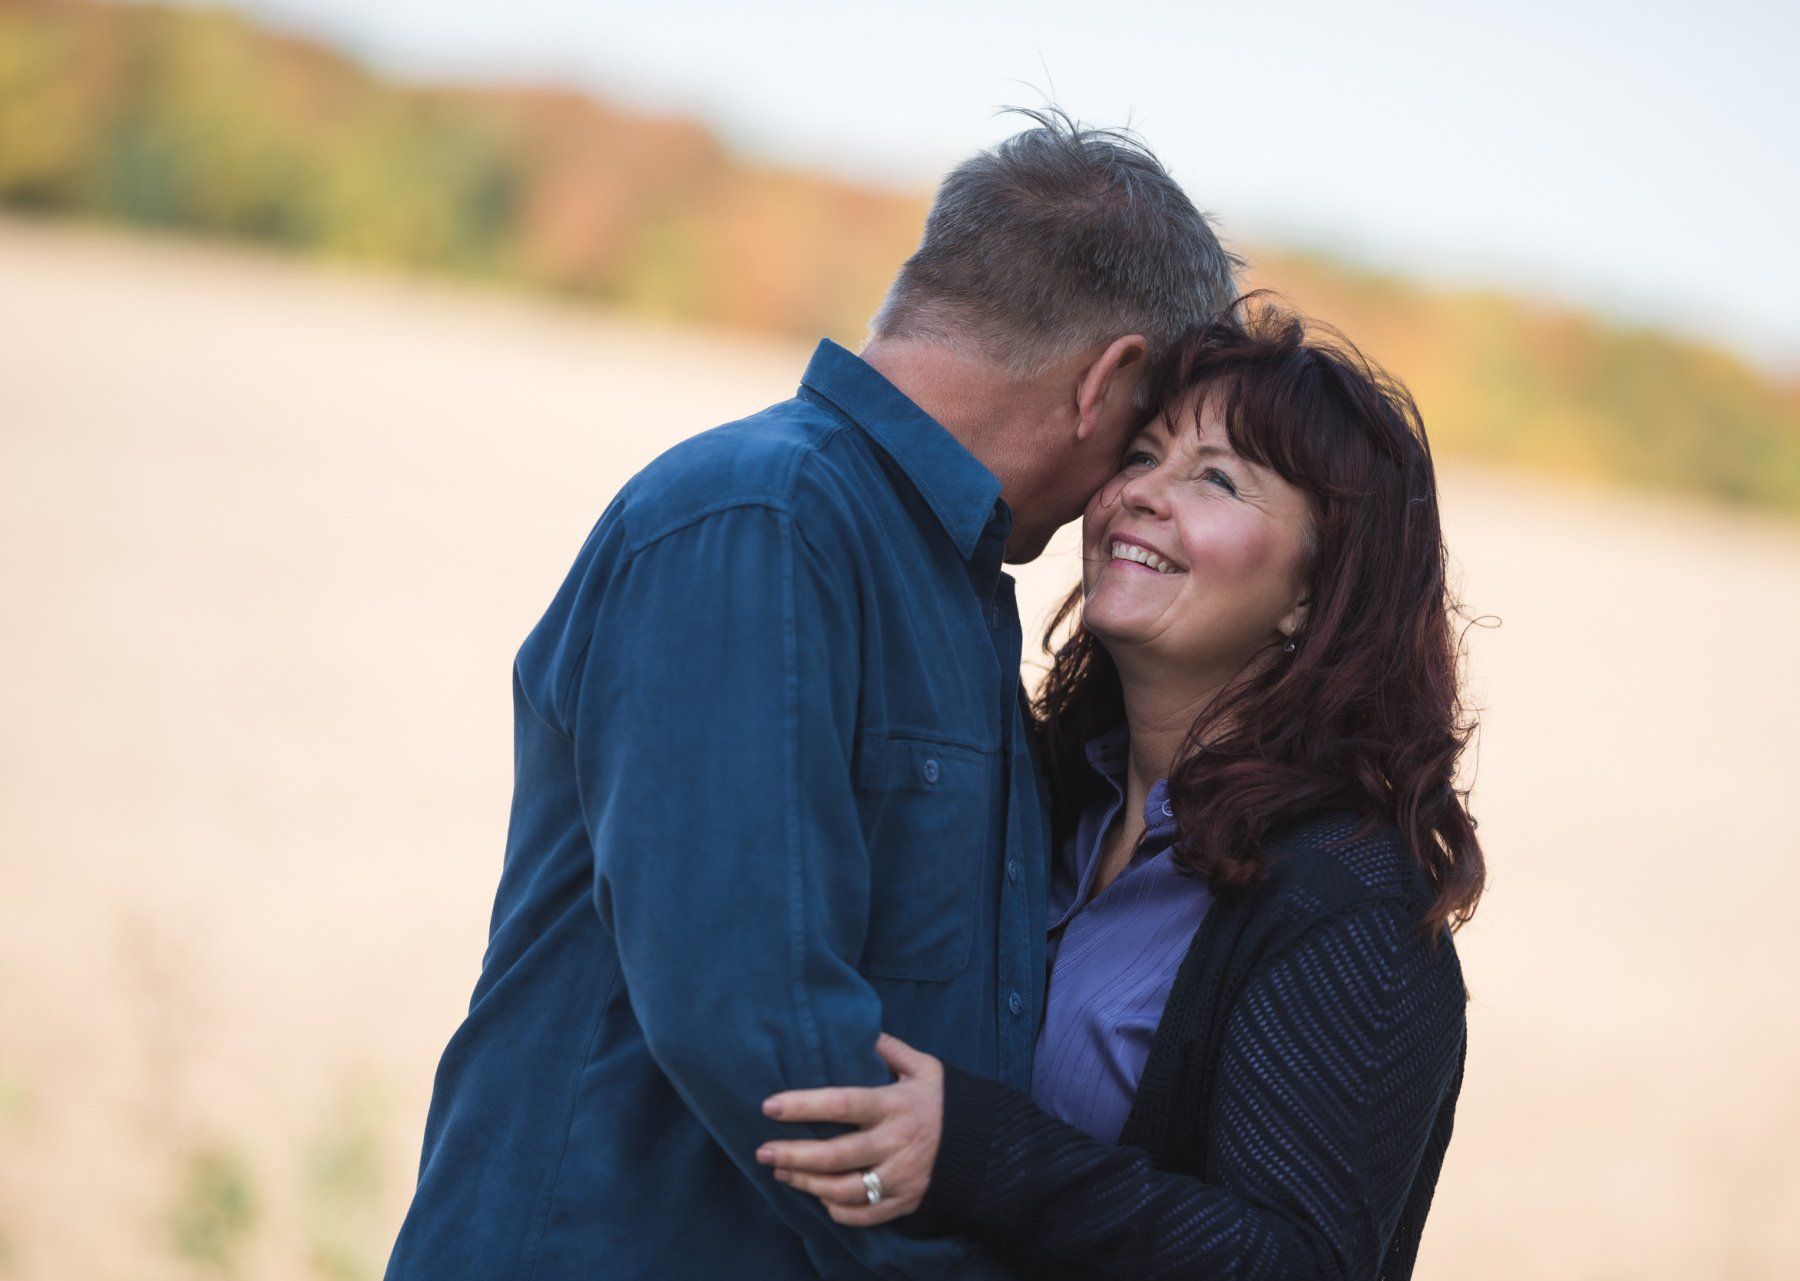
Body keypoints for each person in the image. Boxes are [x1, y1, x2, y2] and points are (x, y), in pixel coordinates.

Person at [383, 109, 1240, 1281]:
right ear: (1109, 381)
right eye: (1143, 448)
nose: (1125, 499)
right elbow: (761, 1027)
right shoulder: (763, 521)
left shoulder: (943, 578)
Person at [756, 303, 1487, 1280]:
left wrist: (981, 1154)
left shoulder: (1347, 906)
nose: (1142, 494)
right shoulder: (1044, 797)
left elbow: (1296, 1262)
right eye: (1139, 456)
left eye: (1216, 478)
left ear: (1318, 591)